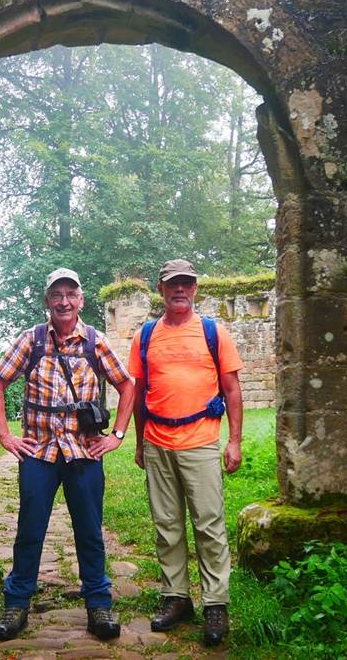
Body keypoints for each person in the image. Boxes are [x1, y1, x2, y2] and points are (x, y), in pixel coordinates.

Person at [0, 268, 136, 642]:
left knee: (89, 531)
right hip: (38, 452)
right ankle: (16, 603)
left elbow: (127, 384)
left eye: (71, 294)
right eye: (57, 294)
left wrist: (117, 434)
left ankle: (99, 605)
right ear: (47, 301)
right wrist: (5, 436)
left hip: (84, 452)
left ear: (81, 300)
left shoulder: (95, 342)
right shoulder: (31, 341)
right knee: (30, 530)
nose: (64, 301)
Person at [128, 259, 243, 647]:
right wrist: (139, 440)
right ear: (160, 290)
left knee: (209, 525)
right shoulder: (145, 336)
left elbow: (232, 389)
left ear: (195, 289)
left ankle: (215, 604)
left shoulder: (213, 332)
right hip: (158, 442)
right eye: (172, 284)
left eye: (187, 284)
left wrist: (235, 441)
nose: (180, 290)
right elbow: (139, 392)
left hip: (201, 441)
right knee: (167, 525)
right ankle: (176, 597)